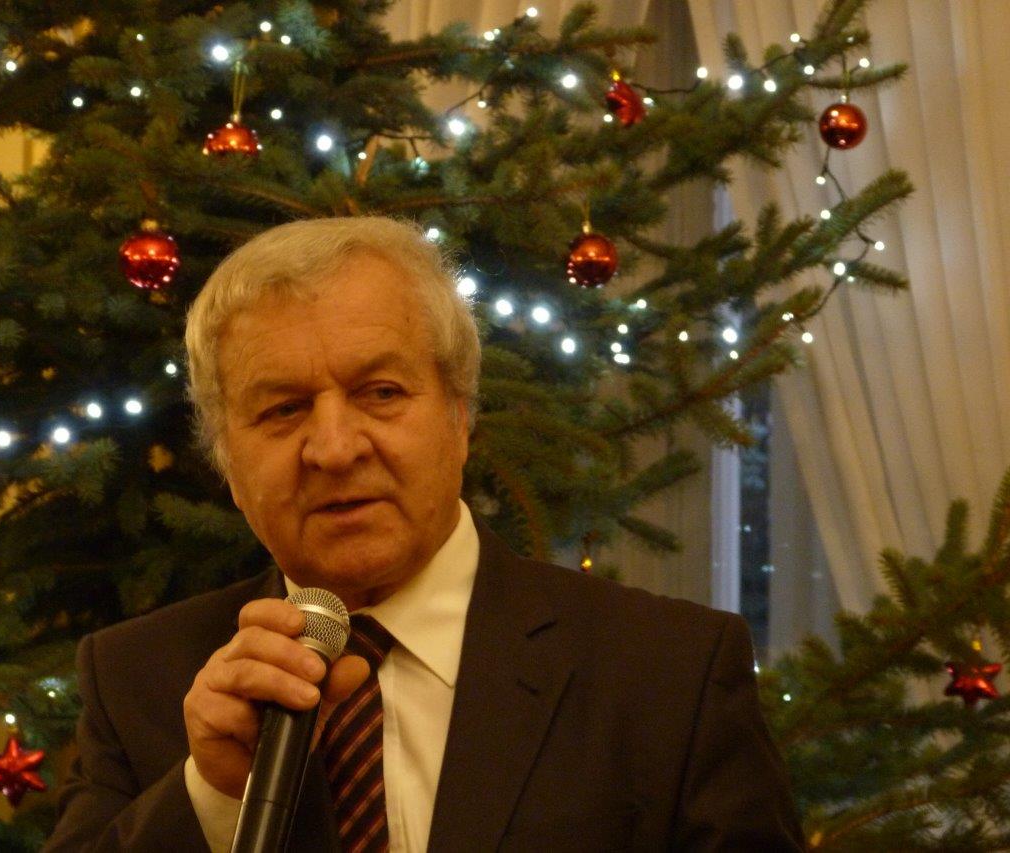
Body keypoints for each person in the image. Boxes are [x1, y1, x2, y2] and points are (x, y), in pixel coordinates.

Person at [43, 217, 804, 852]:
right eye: (282, 409)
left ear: (459, 416)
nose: (334, 448)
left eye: (381, 392)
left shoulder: (669, 673)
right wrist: (211, 796)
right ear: (226, 462)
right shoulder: (138, 680)